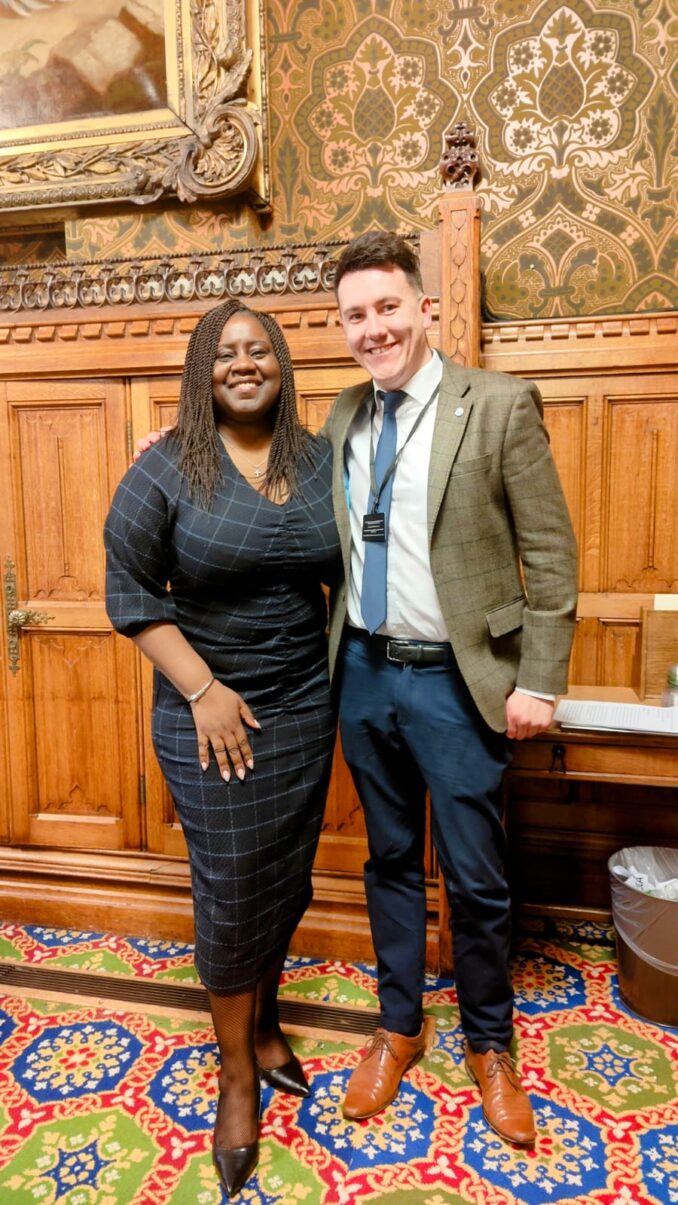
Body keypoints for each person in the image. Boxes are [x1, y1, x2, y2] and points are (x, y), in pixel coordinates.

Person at [322, 231, 578, 1145]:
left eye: (388, 306)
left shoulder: (498, 404)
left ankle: (490, 1044)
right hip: (362, 673)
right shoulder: (343, 417)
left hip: (461, 684)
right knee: (389, 862)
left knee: (476, 877)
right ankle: (397, 1025)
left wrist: (538, 679)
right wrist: (176, 441)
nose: (373, 328)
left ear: (424, 307)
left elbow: (549, 551)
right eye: (355, 315)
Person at [104, 300, 341, 1199]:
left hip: (301, 708)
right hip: (211, 715)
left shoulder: (319, 460)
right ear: (204, 371)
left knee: (285, 875)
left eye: (260, 351)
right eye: (226, 353)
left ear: (282, 365)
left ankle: (269, 1023)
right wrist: (202, 690)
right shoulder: (167, 465)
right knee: (234, 886)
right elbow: (126, 590)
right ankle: (236, 1073)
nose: (244, 364)